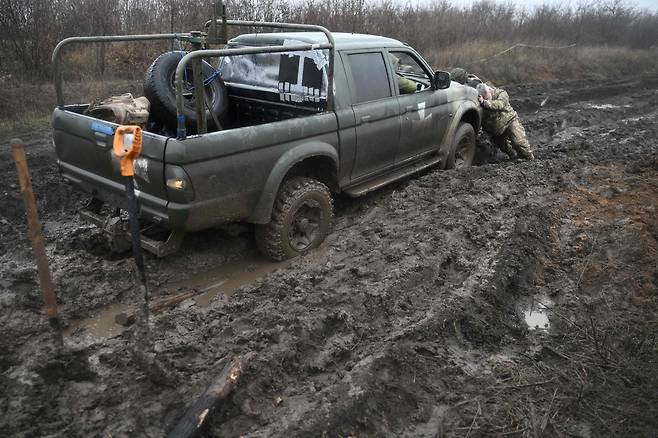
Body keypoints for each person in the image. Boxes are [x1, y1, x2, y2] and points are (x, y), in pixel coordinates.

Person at [476, 83, 534, 160]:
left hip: (510, 120)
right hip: (495, 129)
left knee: (519, 142)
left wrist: (486, 103)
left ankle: (528, 158)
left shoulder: (501, 93)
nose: (487, 99)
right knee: (505, 147)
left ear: (489, 91)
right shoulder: (479, 101)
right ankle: (514, 156)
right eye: (485, 98)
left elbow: (500, 104)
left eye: (487, 97)